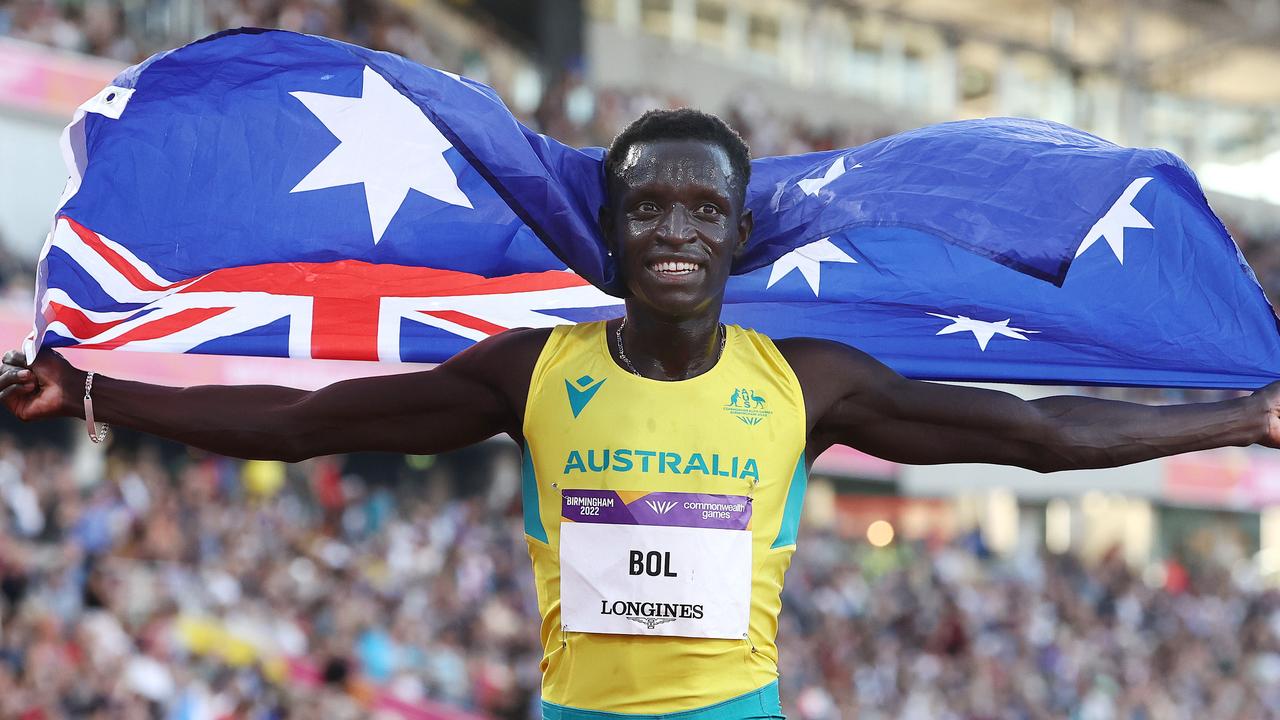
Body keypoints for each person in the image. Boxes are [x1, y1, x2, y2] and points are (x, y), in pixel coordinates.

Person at [3, 108, 1278, 719]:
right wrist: (102, 392)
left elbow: (1039, 439)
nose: (674, 231)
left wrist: (1240, 425)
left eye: (701, 213)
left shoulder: (807, 383)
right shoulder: (532, 372)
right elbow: (305, 420)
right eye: (648, 211)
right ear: (611, 237)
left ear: (734, 236)